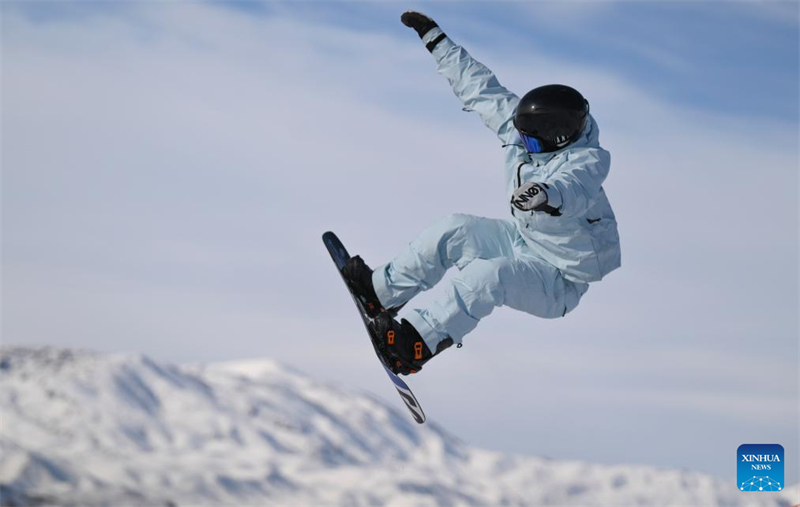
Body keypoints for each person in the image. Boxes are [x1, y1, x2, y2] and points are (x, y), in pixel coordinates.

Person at [344, 11, 621, 375]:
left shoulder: (586, 161)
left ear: (557, 137)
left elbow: (573, 188)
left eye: (530, 139)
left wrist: (545, 194)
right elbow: (480, 88)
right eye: (521, 133)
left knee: (490, 277)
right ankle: (381, 291)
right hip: (525, 242)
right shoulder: (524, 132)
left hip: (559, 278)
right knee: (454, 228)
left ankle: (415, 345)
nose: (521, 142)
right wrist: (435, 40)